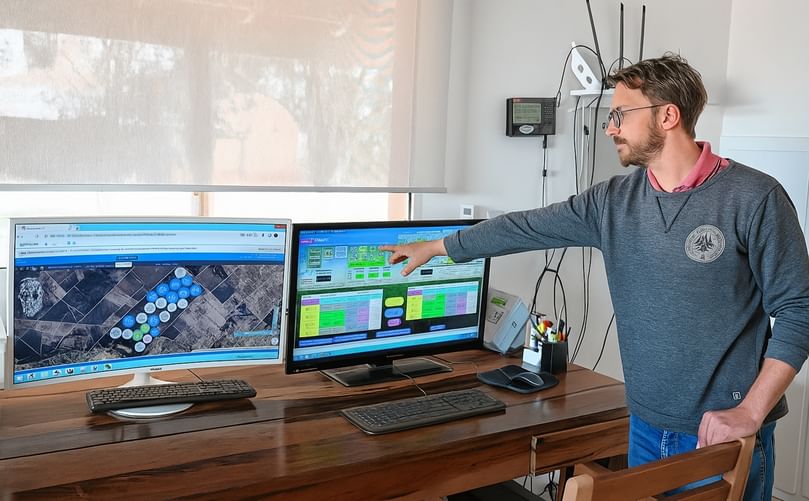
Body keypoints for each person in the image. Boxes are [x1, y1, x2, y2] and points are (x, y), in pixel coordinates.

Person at [380, 53, 809, 499]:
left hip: (722, 432)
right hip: (644, 423)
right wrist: (439, 247)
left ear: (667, 115)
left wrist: (750, 414)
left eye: (620, 114)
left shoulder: (755, 198)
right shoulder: (611, 203)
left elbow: (799, 310)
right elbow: (524, 226)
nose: (610, 128)